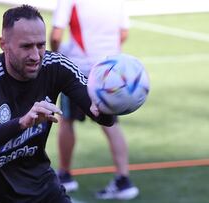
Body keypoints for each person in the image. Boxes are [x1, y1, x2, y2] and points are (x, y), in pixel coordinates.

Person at [0, 4, 114, 203]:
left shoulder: (57, 66)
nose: (35, 56)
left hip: (42, 189)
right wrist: (22, 123)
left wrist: (108, 104)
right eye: (26, 46)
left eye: (41, 45)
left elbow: (104, 117)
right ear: (3, 44)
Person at [50, 0, 139, 200]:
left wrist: (56, 55)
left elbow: (56, 35)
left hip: (79, 69)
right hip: (110, 70)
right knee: (111, 123)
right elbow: (123, 32)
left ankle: (64, 175)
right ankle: (123, 179)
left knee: (67, 120)